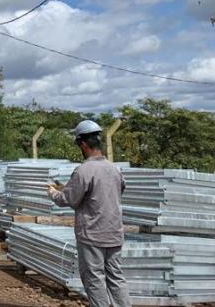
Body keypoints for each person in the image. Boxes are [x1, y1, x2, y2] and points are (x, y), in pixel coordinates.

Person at [48, 120, 131, 307]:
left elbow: (68, 200)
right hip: (114, 233)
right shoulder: (114, 169)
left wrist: (53, 193)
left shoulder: (84, 170)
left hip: (92, 235)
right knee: (116, 278)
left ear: (83, 144)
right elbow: (111, 192)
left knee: (94, 279)